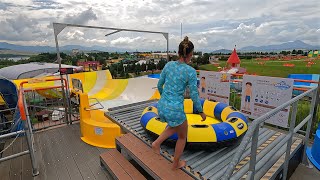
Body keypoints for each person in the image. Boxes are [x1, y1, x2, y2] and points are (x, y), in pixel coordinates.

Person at [151, 36, 206, 170]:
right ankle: (175, 163)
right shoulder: (191, 72)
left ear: (179, 53)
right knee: (182, 136)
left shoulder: (168, 65)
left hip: (162, 105)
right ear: (191, 54)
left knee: (173, 126)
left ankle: (157, 143)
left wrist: (165, 98)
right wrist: (200, 111)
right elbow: (194, 94)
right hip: (175, 109)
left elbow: (159, 84)